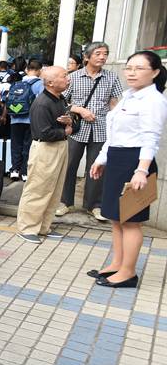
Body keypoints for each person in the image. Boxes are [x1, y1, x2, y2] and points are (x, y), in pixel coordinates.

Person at [88, 51, 167, 288]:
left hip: (135, 162)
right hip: (117, 159)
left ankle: (128, 273)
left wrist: (141, 171)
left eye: (139, 68)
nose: (131, 73)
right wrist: (101, 159)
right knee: (116, 217)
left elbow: (151, 138)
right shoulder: (128, 96)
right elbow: (114, 134)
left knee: (131, 221)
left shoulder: (153, 100)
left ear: (155, 72)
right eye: (129, 67)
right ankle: (117, 264)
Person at [57, 42, 124, 221]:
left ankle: (94, 205)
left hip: (101, 129)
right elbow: (61, 101)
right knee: (69, 165)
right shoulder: (74, 76)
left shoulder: (112, 77)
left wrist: (116, 124)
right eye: (98, 53)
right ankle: (65, 202)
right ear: (87, 57)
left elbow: (114, 104)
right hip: (77, 128)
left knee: (97, 167)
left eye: (105, 53)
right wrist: (80, 110)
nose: (102, 57)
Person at [15, 66, 73, 244]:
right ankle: (26, 228)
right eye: (64, 76)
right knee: (38, 189)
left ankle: (43, 227)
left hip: (59, 146)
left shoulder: (60, 98)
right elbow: (43, 132)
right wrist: (66, 131)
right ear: (50, 83)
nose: (68, 79)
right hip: (45, 149)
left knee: (54, 190)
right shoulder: (42, 103)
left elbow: (70, 124)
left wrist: (70, 123)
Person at [6, 59, 43, 181]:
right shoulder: (40, 84)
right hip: (30, 120)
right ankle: (24, 172)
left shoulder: (17, 82)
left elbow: (8, 99)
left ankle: (14, 170)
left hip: (15, 119)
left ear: (27, 70)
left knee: (16, 145)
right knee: (28, 146)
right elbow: (41, 102)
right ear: (40, 70)